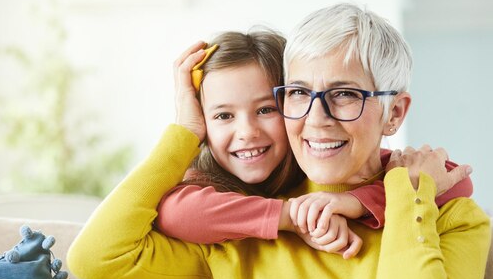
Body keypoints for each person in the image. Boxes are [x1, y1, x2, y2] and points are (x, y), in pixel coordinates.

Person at [68, 3, 490, 279]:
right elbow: (97, 258)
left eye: (344, 94)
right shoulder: (243, 219)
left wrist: (406, 194)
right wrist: (184, 132)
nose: (317, 118)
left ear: (394, 113)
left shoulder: (448, 217)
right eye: (299, 94)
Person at [156, 32, 473, 255]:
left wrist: (355, 202)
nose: (247, 132)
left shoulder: (325, 163)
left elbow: (454, 178)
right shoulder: (209, 184)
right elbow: (176, 214)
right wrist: (294, 217)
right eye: (223, 116)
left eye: (266, 109)